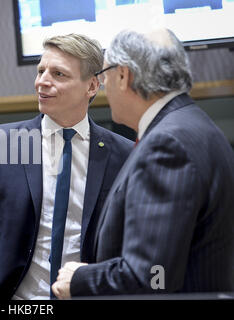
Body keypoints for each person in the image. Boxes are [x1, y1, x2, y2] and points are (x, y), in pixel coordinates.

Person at [52, 28, 234, 299]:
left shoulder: (168, 145)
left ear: (124, 75)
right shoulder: (195, 125)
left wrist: (80, 279)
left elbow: (152, 275)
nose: (103, 86)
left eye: (104, 75)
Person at [0, 34, 133, 300]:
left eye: (58, 74)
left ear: (92, 86)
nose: (42, 81)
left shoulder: (125, 155)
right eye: (41, 71)